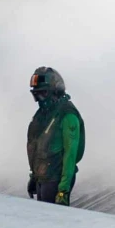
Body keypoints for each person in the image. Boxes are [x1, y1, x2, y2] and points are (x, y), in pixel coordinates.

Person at [26, 67, 84, 206]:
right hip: (43, 179)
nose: (40, 99)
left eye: (43, 94)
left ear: (56, 91)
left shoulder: (67, 115)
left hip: (55, 181)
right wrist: (34, 177)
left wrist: (63, 190)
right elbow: (37, 147)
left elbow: (70, 154)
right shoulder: (43, 115)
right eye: (37, 95)